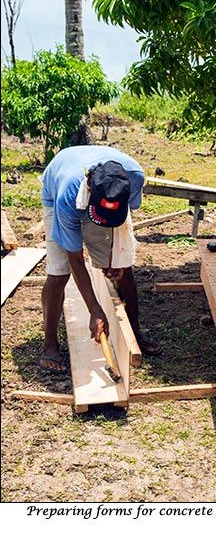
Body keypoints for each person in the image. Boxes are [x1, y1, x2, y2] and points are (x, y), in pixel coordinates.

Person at [40, 144, 162, 374]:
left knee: (123, 266)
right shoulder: (67, 196)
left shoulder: (134, 177)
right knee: (59, 272)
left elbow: (122, 226)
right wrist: (94, 310)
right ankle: (49, 345)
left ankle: (135, 332)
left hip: (101, 192)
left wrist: (115, 257)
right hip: (57, 188)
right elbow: (75, 259)